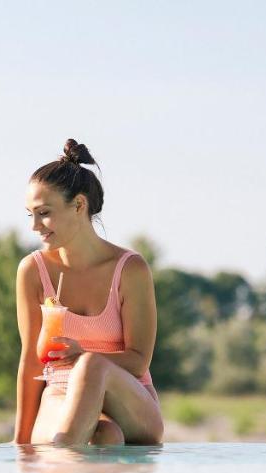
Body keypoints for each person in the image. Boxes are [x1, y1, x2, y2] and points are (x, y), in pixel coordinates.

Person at [14, 140, 165, 446]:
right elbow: (31, 361)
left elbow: (138, 362)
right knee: (105, 437)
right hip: (58, 395)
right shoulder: (32, 270)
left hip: (128, 398)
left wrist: (83, 357)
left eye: (44, 213)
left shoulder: (131, 270)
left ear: (79, 205)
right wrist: (20, 445)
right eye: (30, 214)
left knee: (92, 367)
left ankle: (66, 466)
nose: (35, 226)